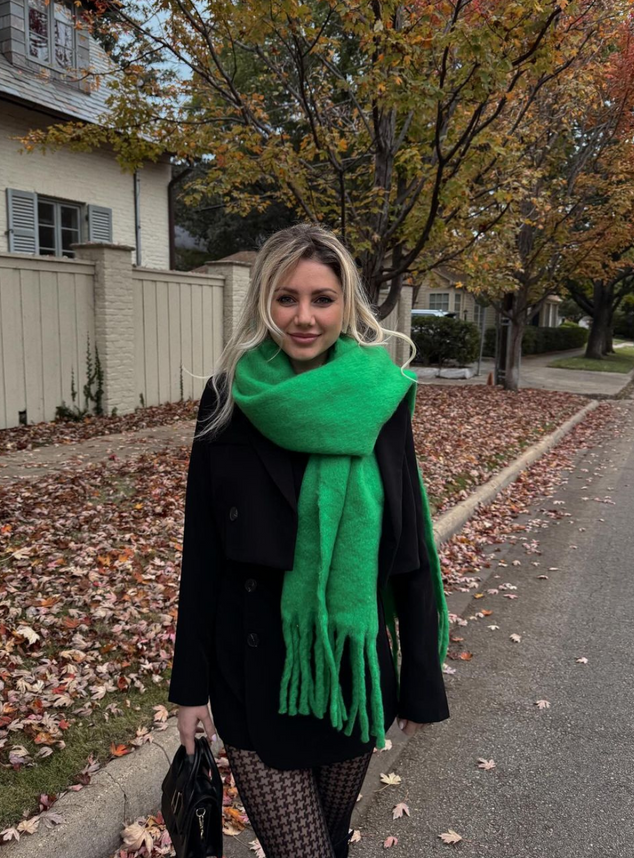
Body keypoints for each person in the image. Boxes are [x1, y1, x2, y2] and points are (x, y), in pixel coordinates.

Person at [167, 224, 450, 858]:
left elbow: (406, 543)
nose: (303, 317)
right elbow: (203, 553)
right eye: (286, 298)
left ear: (346, 304)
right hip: (254, 670)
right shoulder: (230, 396)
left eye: (321, 298)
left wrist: (422, 677)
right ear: (263, 303)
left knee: (329, 843)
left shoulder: (383, 397)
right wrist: (190, 689)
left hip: (348, 667)